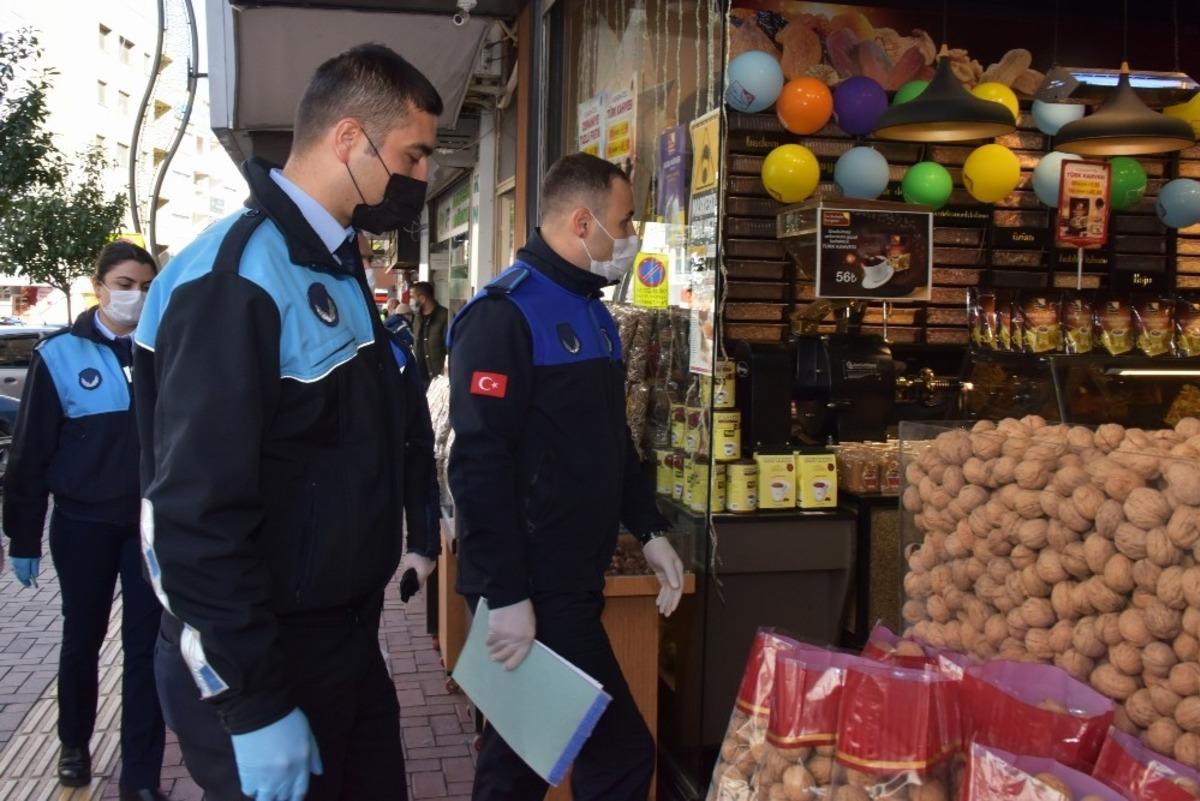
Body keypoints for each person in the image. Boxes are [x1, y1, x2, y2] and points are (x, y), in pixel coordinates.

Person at [133, 44, 441, 801]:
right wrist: (254, 703)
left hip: (344, 642)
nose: (423, 177)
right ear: (349, 139)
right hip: (269, 656)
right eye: (413, 155)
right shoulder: (235, 279)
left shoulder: (334, 264)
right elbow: (192, 518)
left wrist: (417, 533)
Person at [447, 152, 685, 801]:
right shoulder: (504, 315)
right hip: (533, 584)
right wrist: (504, 594)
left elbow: (612, 442)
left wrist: (650, 528)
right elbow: (478, 465)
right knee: (621, 753)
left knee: (522, 758)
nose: (631, 235)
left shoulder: (594, 315)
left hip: (573, 579)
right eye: (625, 220)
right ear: (584, 222)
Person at [4, 241, 170, 801]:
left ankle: (140, 776)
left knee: (146, 649)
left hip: (148, 528)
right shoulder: (59, 354)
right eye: (124, 285)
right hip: (83, 525)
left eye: (146, 286)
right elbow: (30, 452)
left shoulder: (164, 348)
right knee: (82, 638)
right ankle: (73, 743)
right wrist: (23, 535)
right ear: (98, 286)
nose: (135, 296)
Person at [411, 281, 448, 382]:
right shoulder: (417, 317)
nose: (411, 301)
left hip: (437, 379)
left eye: (413, 297)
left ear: (422, 298)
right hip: (419, 378)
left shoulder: (444, 316)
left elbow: (449, 348)